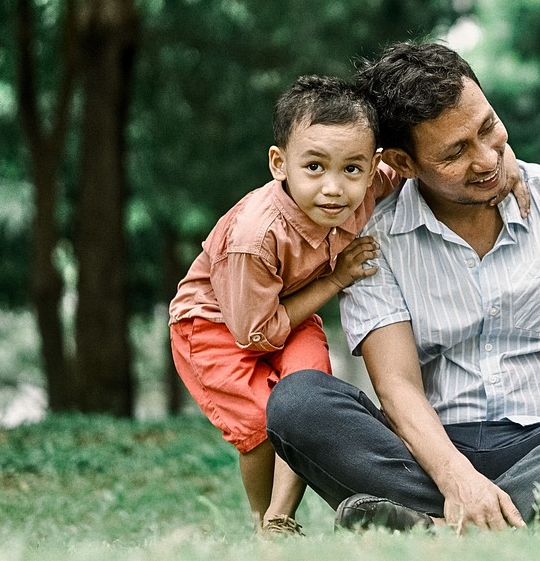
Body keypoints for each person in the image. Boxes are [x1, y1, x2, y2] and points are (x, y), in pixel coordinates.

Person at [265, 42, 540, 533]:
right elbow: (397, 386)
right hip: (434, 456)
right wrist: (458, 479)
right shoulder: (376, 241)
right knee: (297, 400)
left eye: (488, 128)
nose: (486, 159)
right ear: (403, 163)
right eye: (456, 152)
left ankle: (434, 527)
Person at [169, 75, 396, 535]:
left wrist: (505, 162)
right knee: (259, 424)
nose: (334, 188)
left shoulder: (365, 187)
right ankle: (264, 524)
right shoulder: (256, 237)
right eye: (315, 167)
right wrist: (337, 277)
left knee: (307, 399)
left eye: (351, 170)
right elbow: (254, 333)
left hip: (287, 313)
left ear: (371, 170)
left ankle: (280, 519)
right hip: (216, 326)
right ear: (279, 163)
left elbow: (419, 163)